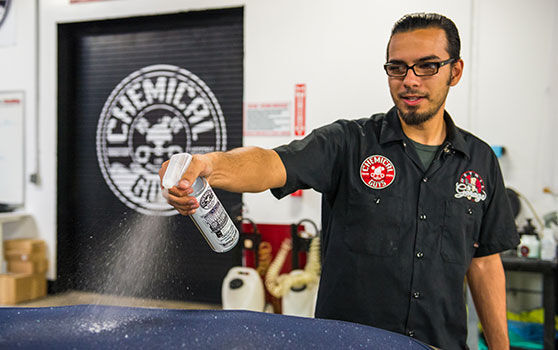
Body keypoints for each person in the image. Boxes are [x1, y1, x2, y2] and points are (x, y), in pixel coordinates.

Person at [159, 13, 519, 350]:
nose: (410, 80)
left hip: (437, 343)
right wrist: (208, 164)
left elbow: (485, 262)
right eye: (397, 68)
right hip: (347, 343)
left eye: (427, 66)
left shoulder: (480, 161)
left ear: (454, 71)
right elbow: (272, 163)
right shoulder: (348, 143)